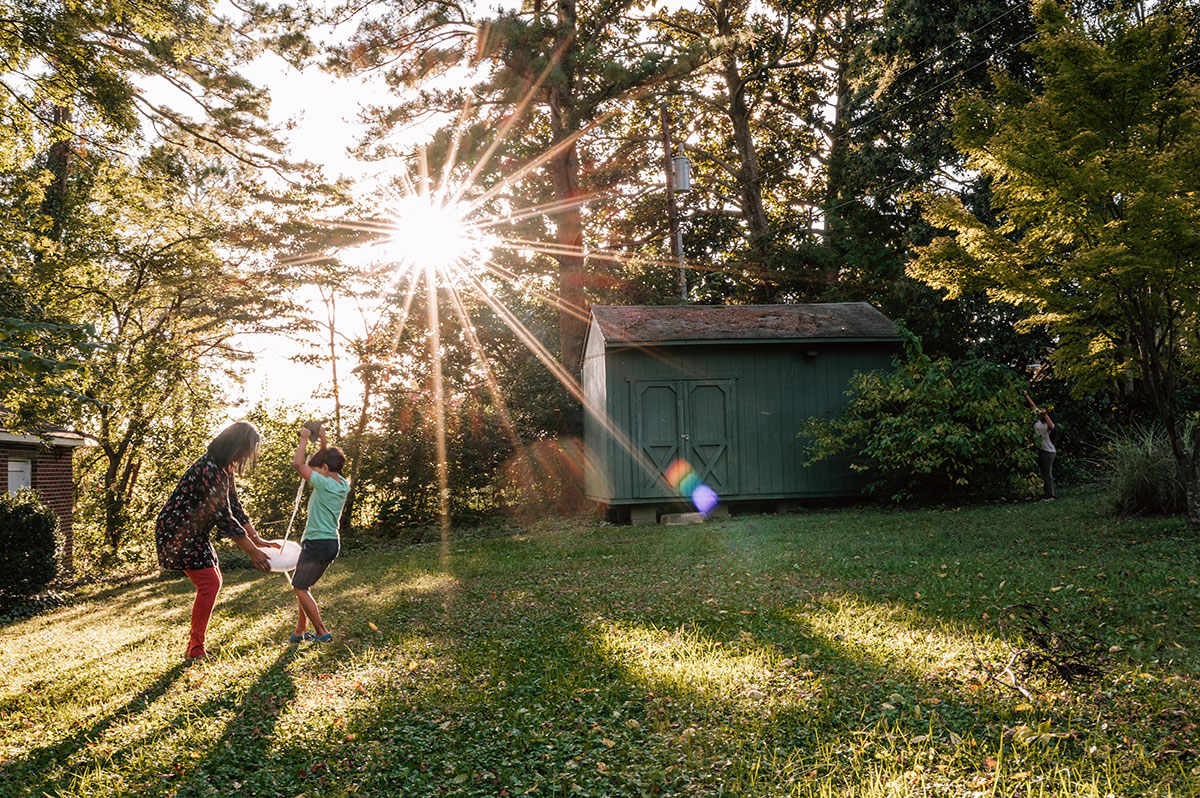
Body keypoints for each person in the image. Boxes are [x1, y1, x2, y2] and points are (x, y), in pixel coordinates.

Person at [156, 421, 279, 662]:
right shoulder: (210, 468)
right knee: (210, 583)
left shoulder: (223, 468)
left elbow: (234, 506)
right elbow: (223, 514)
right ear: (236, 445)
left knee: (213, 582)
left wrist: (256, 538)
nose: (247, 455)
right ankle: (195, 650)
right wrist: (252, 552)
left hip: (194, 531)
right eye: (247, 449)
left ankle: (195, 647)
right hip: (178, 531)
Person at [288, 422, 350, 644]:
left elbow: (298, 464)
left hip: (317, 543)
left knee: (299, 587)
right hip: (331, 543)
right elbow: (325, 461)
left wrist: (304, 438)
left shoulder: (324, 484)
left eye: (316, 470)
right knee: (304, 586)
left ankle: (322, 632)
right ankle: (299, 630)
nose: (312, 474)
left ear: (324, 469)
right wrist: (322, 440)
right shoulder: (342, 483)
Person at [1023, 390, 1056, 500]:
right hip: (1041, 449)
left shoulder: (1047, 424)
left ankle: (1050, 495)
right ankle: (1046, 493)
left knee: (1047, 473)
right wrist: (1026, 395)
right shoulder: (1037, 420)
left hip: (1048, 450)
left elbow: (1052, 427)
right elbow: (1033, 405)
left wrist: (1045, 414)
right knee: (1043, 472)